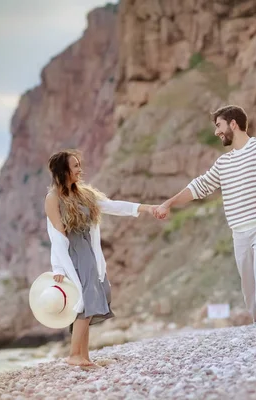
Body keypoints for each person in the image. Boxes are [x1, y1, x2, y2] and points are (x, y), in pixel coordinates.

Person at [153, 105, 256, 347]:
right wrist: (169, 203)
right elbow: (199, 186)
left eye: (218, 125)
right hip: (239, 231)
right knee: (249, 285)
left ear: (233, 124)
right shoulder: (223, 163)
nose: (217, 132)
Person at [44, 149, 160, 367]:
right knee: (85, 301)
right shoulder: (52, 198)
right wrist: (58, 267)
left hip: (89, 252)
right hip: (74, 255)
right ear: (63, 170)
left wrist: (147, 208)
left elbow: (113, 206)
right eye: (75, 165)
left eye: (79, 164)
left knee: (93, 298)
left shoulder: (84, 194)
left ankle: (84, 356)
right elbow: (57, 236)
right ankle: (73, 355)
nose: (80, 169)